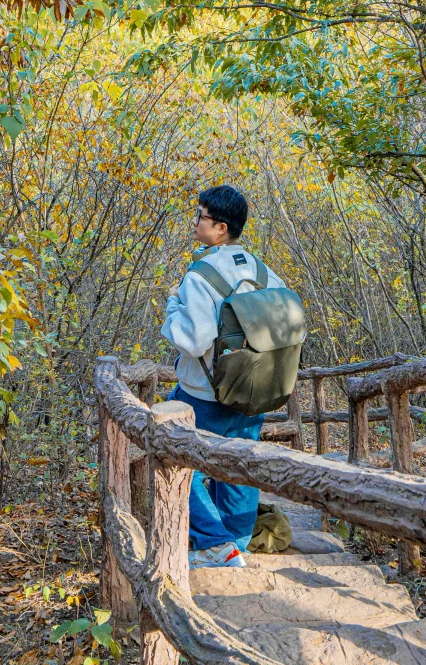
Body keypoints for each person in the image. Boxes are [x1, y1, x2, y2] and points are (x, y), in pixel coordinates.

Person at [161, 185, 287, 568]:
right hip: (256, 388)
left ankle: (215, 544)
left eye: (199, 215)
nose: (195, 221)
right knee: (240, 464)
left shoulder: (200, 276)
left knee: (172, 453)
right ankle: (237, 542)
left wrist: (171, 308)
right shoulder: (266, 272)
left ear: (219, 227)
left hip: (206, 391)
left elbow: (193, 338)